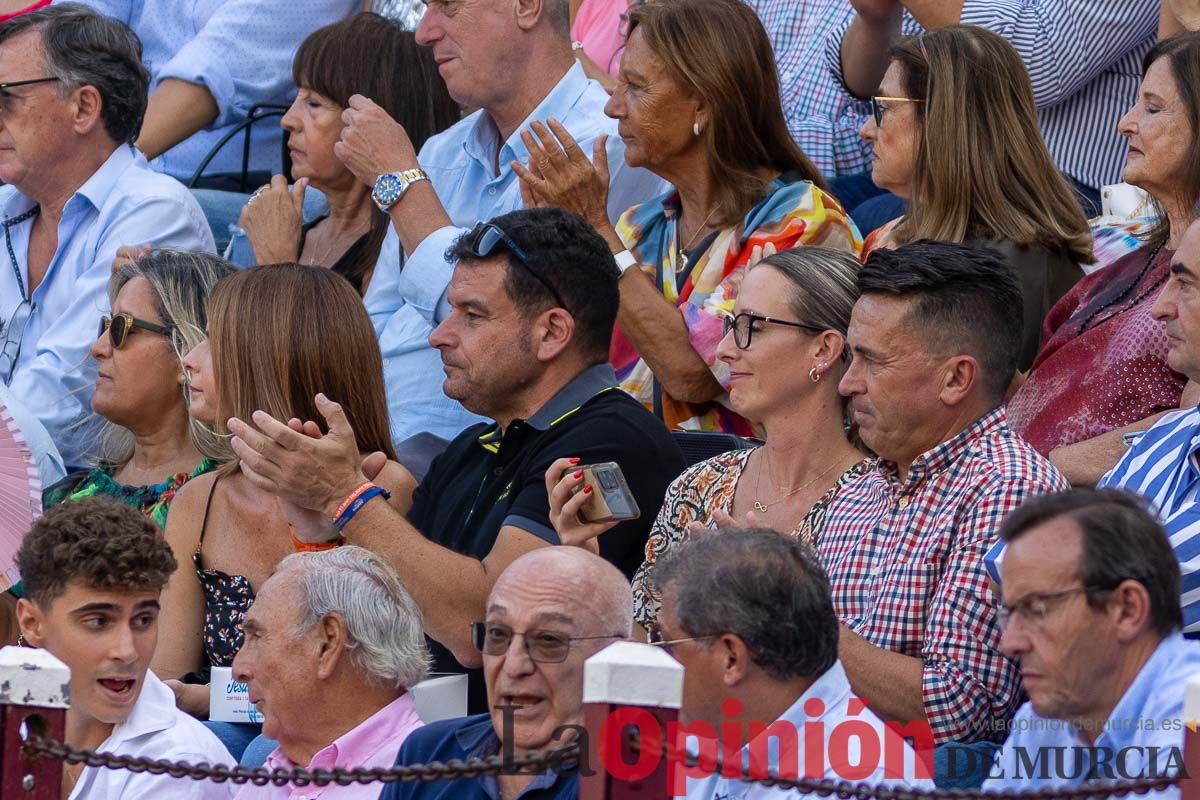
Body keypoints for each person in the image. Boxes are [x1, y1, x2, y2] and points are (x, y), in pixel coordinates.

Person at [225, 208, 684, 714]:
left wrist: (347, 498)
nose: (438, 335)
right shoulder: (472, 447)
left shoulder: (610, 442)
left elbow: (482, 628)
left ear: (552, 332)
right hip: (425, 736)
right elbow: (380, 622)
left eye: (472, 314)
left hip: (524, 751)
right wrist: (319, 527)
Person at [516, 0, 860, 436]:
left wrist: (596, 232)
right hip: (630, 485)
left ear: (704, 104)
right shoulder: (638, 230)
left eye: (636, 87)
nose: (613, 107)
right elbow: (560, 370)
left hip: (747, 494)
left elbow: (694, 372)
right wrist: (548, 254)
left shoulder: (801, 221)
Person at [334, 0, 665, 449]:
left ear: (527, 7)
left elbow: (503, 324)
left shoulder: (602, 143)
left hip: (482, 454)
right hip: (377, 434)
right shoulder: (439, 151)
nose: (424, 32)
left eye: (448, 7)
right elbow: (374, 323)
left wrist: (401, 182)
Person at [156, 264, 411, 758]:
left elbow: (360, 686)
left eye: (213, 341)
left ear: (271, 358)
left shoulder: (381, 487)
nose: (189, 360)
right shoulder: (197, 500)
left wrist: (214, 698)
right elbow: (166, 684)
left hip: (344, 745)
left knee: (253, 753)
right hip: (216, 744)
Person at [821, 241, 1069, 748]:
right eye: (851, 357)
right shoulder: (862, 486)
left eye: (871, 361)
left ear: (956, 378)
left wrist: (798, 618)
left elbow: (960, 711)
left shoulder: (1009, 490)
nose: (847, 383)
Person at [546, 247, 873, 629]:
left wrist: (775, 603)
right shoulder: (698, 485)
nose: (724, 350)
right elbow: (650, 656)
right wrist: (587, 562)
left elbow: (871, 675)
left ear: (824, 349)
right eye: (731, 326)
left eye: (752, 327)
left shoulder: (877, 503)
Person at [0, 4, 215, 468]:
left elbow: (64, 393)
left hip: (88, 493)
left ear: (83, 107)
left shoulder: (155, 211)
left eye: (5, 97)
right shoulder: (6, 206)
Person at [1006, 32, 1200, 485]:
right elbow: (1038, 392)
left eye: (1152, 108)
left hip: (1100, 519)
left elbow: (1191, 427)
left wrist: (1043, 471)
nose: (1125, 123)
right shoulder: (1125, 262)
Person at [857, 26, 1091, 370]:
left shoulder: (1017, 265)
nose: (866, 130)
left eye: (884, 108)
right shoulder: (893, 234)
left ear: (942, 118)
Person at [651, 530, 934, 798]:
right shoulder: (712, 735)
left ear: (732, 657)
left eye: (665, 642)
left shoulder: (859, 780)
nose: (657, 661)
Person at [830, 0, 1159, 214]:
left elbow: (1035, 64)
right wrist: (877, 21)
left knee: (855, 221)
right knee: (815, 204)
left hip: (1060, 191)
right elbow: (866, 84)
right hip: (946, 170)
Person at [14, 498, 234, 799]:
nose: (127, 651)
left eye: (143, 620)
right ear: (32, 623)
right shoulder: (15, 694)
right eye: (97, 621)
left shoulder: (178, 766)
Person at [983, 489, 1200, 794]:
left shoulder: (1193, 705)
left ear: (1127, 610)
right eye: (1009, 613)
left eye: (1038, 609)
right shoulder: (1043, 720)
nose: (1010, 643)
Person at [229, 13, 460, 297]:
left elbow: (316, 343)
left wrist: (276, 265)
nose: (287, 120)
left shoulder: (392, 258)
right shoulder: (295, 229)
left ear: (373, 119)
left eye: (313, 103)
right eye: (295, 101)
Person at [380, 546, 632, 800]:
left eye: (547, 639)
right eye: (498, 634)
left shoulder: (632, 780)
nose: (513, 666)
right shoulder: (427, 752)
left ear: (615, 657)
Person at [42, 249, 233, 526]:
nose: (97, 349)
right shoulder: (68, 496)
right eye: (105, 326)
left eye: (122, 327)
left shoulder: (226, 504)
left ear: (187, 351)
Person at [75, 0, 357, 187]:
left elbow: (213, 69)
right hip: (105, 150)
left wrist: (95, 173)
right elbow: (76, 28)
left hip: (222, 185)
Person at [232, 546, 430, 799]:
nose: (238, 669)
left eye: (257, 636)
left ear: (327, 643)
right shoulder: (273, 776)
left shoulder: (426, 784)